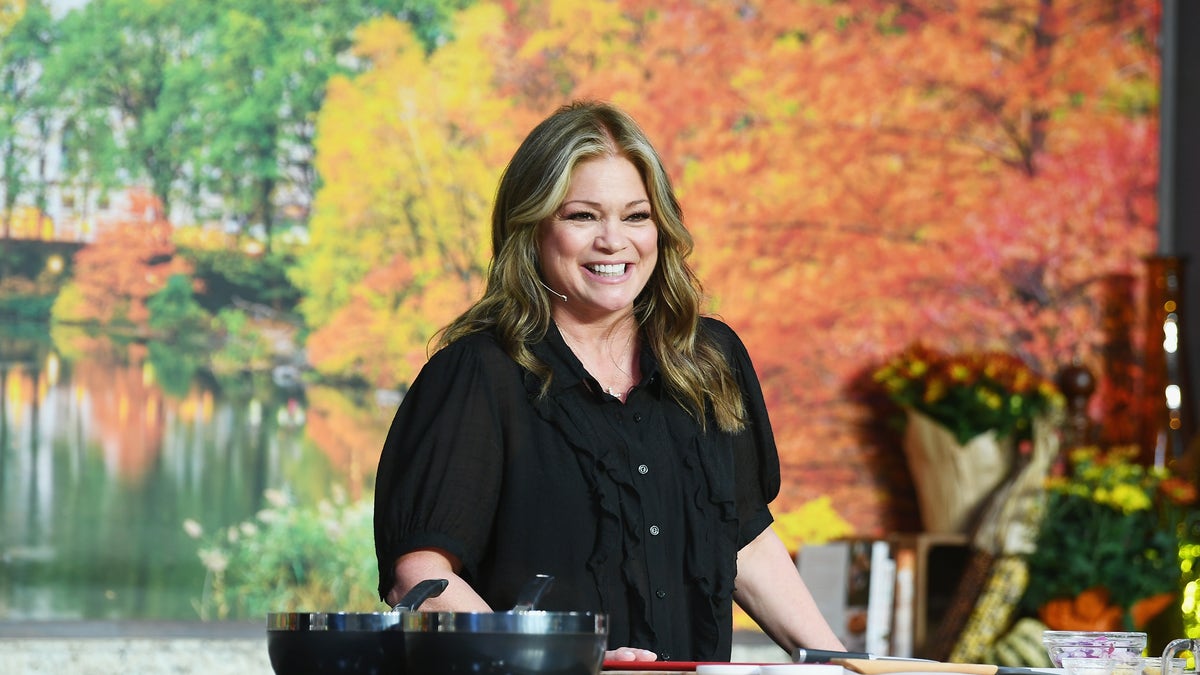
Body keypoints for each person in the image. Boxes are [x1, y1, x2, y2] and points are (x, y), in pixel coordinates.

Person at [374, 100, 845, 663]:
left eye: (636, 216)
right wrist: (555, 665)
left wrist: (844, 663)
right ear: (532, 227)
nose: (613, 241)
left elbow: (741, 538)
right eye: (582, 216)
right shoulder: (477, 375)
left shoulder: (709, 360)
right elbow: (418, 579)